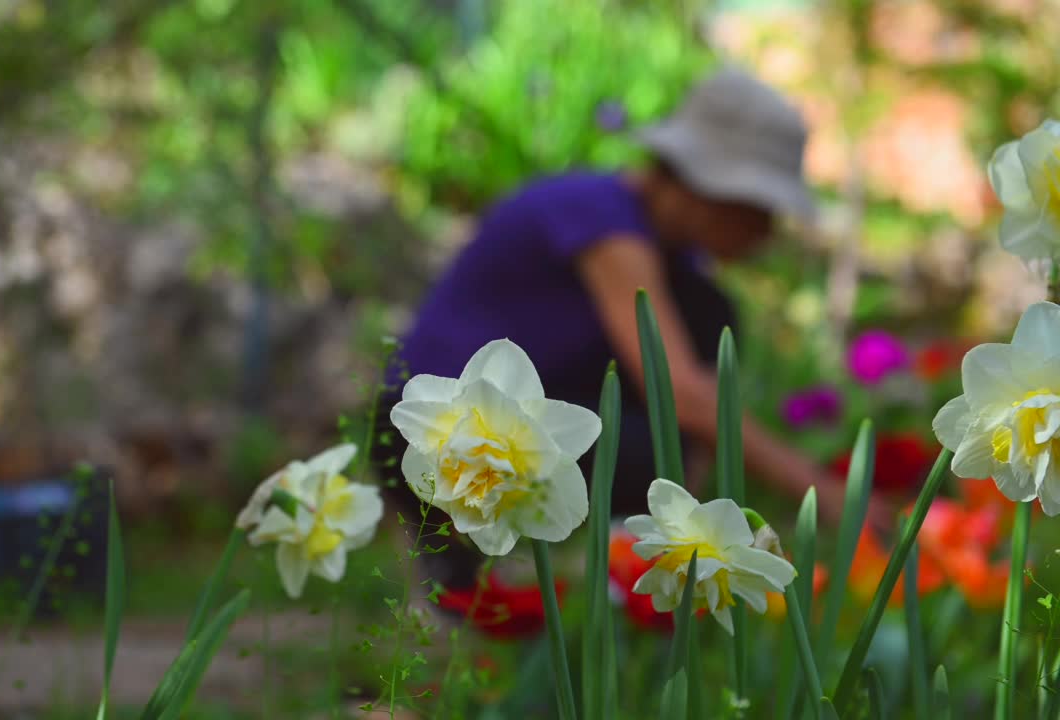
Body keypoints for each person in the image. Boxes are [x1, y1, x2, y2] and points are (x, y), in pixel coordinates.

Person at [372, 66, 886, 593]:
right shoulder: (604, 223)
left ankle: (620, 567)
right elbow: (681, 396)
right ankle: (573, 572)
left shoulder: (670, 257)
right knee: (658, 441)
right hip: (441, 430)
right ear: (697, 186)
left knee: (707, 312)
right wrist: (829, 499)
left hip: (523, 419)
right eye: (753, 210)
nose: (764, 233)